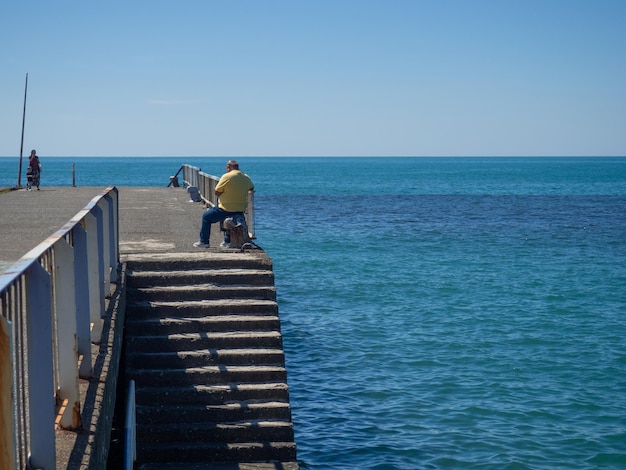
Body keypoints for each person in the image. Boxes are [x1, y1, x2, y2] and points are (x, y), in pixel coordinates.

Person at [194, 160, 254, 248]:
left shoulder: (227, 176)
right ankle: (227, 241)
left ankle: (204, 242)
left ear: (228, 167)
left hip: (226, 207)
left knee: (206, 217)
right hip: (240, 209)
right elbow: (251, 187)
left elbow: (217, 191)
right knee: (228, 218)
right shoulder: (246, 177)